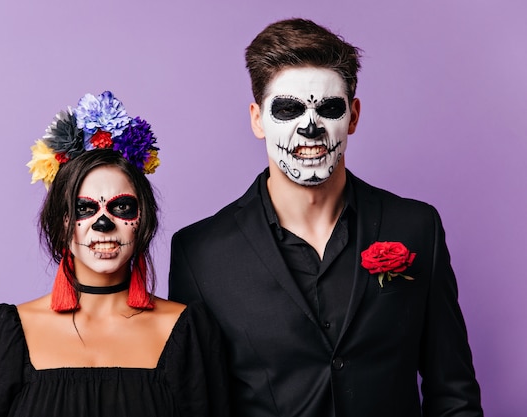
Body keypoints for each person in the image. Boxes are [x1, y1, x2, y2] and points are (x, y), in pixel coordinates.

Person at [168, 18, 483, 417]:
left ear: (352, 116)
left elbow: (453, 393)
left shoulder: (417, 228)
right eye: (288, 109)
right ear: (257, 119)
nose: (311, 128)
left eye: (329, 108)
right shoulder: (199, 253)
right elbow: (198, 402)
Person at [0, 91, 229, 417]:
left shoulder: (188, 332)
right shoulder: (8, 334)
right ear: (62, 222)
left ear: (141, 219)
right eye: (84, 208)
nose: (103, 223)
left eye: (121, 206)